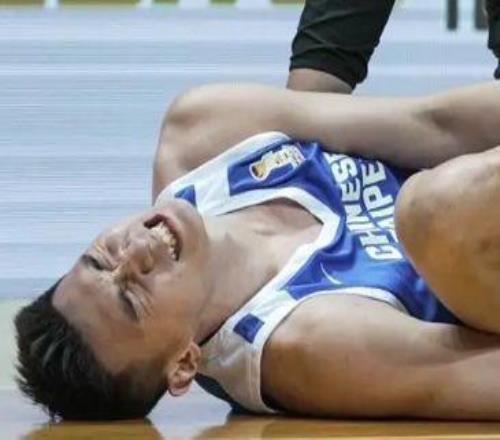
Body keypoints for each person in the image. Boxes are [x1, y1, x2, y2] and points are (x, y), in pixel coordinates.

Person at [14, 3, 500, 422]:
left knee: (317, 97)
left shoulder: (198, 137)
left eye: (100, 258)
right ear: (184, 363)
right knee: (431, 211)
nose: (135, 250)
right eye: (132, 297)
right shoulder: (304, 344)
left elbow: (434, 126)